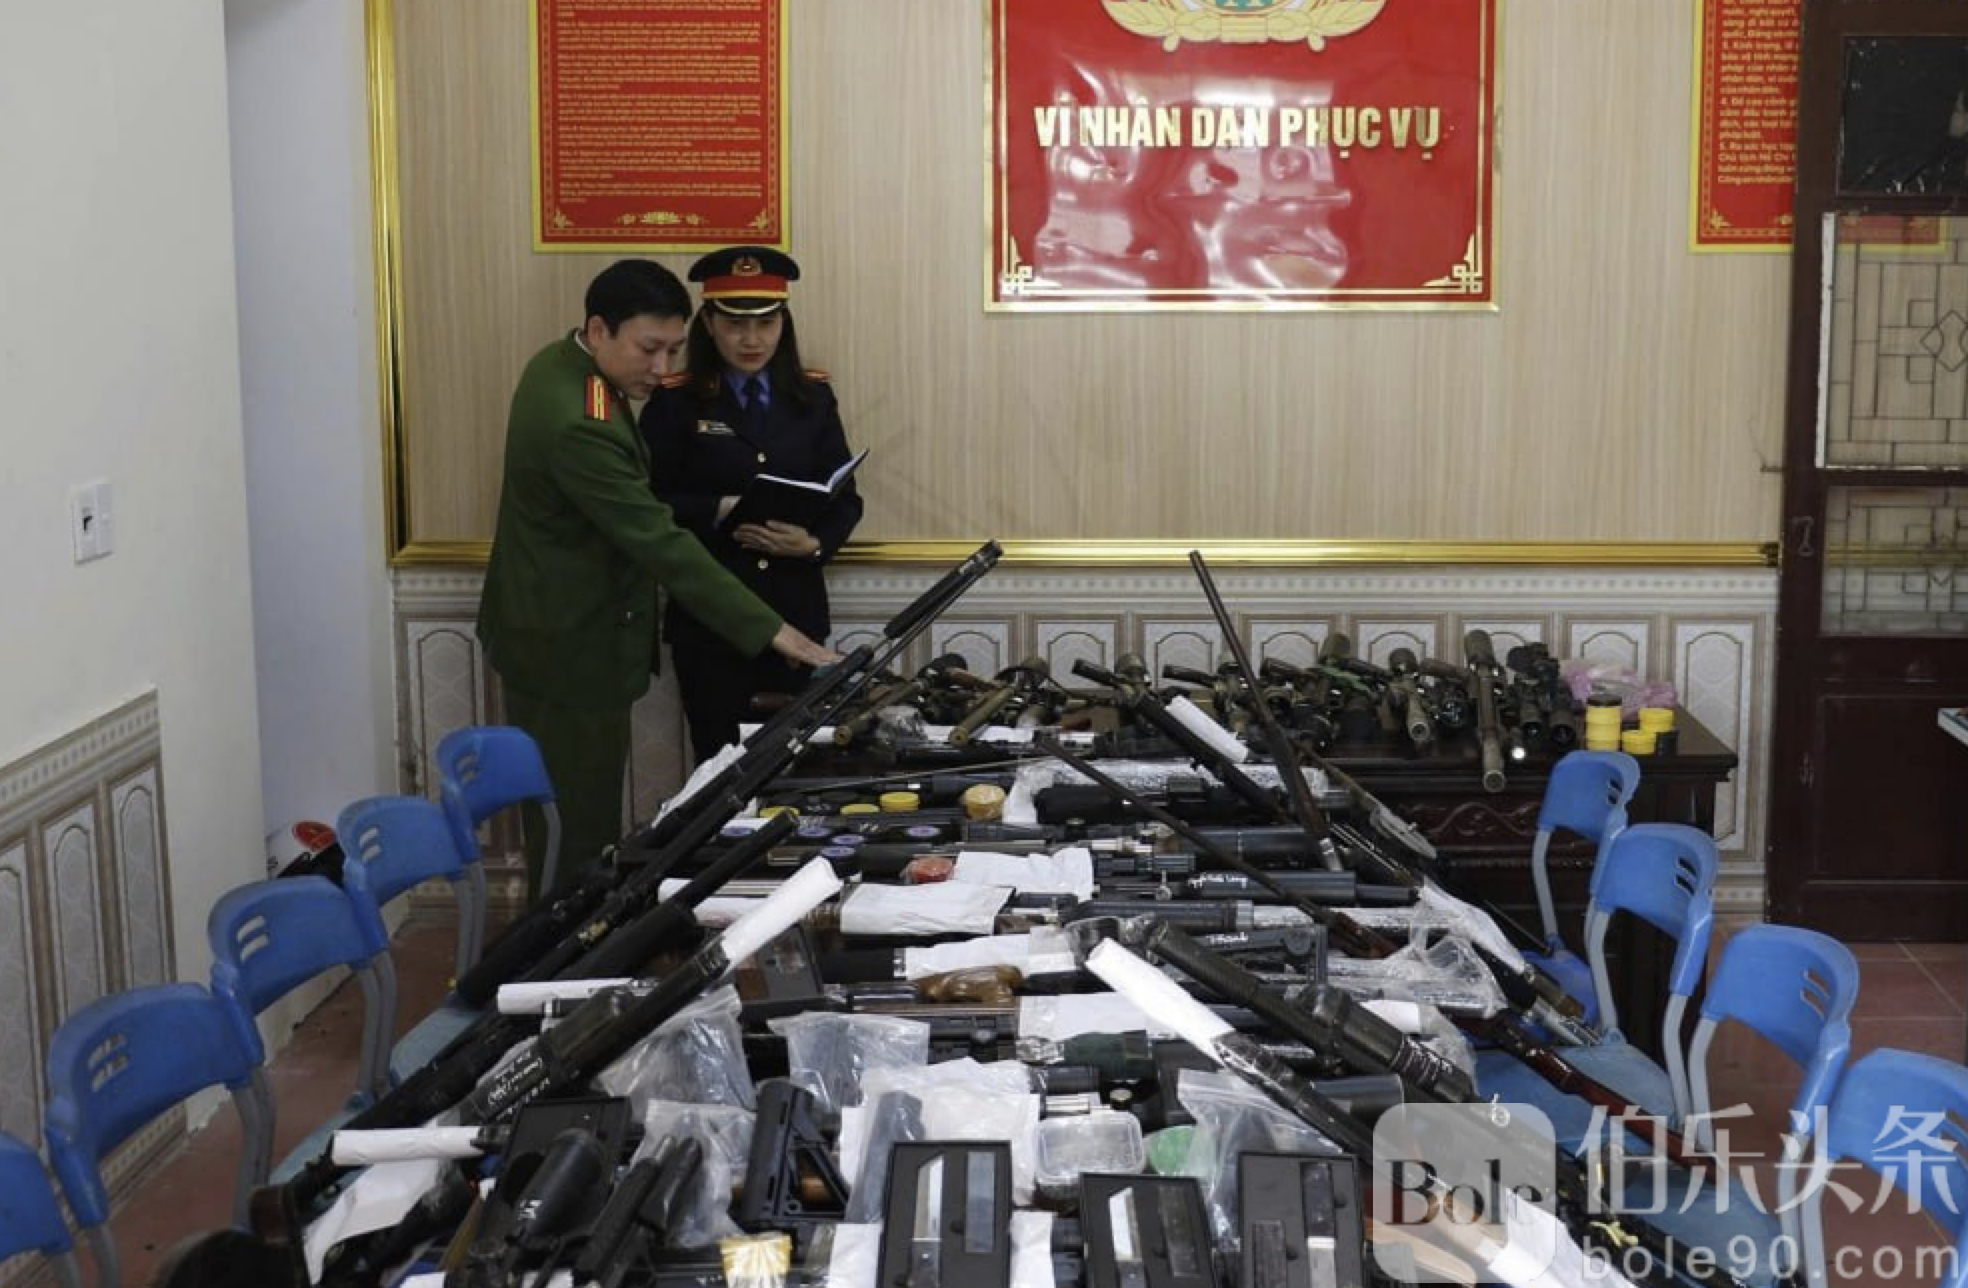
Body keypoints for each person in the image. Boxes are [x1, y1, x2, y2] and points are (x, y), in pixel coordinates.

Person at [477, 259, 836, 900]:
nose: (662, 365)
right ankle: (566, 947)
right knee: (576, 829)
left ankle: (572, 932)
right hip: (569, 645)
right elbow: (658, 539)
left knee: (574, 819)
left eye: (673, 348)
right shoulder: (580, 421)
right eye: (649, 348)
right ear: (599, 329)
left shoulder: (563, 367)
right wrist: (773, 631)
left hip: (563, 633)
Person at [640, 246, 864, 761]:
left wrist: (813, 544)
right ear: (708, 323)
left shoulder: (812, 398)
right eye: (735, 324)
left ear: (784, 323)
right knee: (719, 766)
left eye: (766, 322)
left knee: (796, 766)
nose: (752, 339)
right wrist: (718, 507)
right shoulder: (675, 401)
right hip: (712, 622)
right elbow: (648, 504)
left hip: (796, 610)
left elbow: (845, 499)